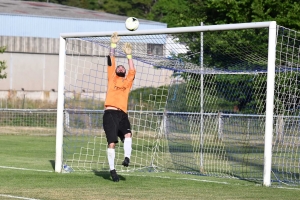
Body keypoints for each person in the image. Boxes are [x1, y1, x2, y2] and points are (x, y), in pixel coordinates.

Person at [103, 32, 136, 182]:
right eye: (119, 67)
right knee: (112, 143)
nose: (121, 68)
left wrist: (129, 56)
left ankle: (127, 158)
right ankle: (112, 170)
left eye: (123, 68)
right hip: (110, 113)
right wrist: (113, 45)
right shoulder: (112, 78)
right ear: (116, 71)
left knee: (128, 135)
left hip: (122, 114)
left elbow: (132, 71)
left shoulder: (127, 83)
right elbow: (112, 60)